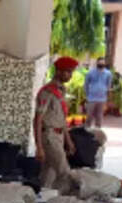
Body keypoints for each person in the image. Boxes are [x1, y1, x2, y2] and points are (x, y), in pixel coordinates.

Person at [34, 56, 78, 192]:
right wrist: (39, 146)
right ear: (58, 71)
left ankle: (42, 202)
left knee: (49, 175)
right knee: (64, 172)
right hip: (49, 136)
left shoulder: (60, 91)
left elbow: (62, 120)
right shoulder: (47, 92)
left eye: (71, 72)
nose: (70, 75)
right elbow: (38, 119)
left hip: (58, 136)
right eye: (67, 71)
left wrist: (68, 141)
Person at [84, 57, 113, 128]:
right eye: (100, 63)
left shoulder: (108, 74)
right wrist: (87, 95)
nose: (101, 64)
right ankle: (87, 130)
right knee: (89, 115)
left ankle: (97, 130)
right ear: (97, 63)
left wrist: (108, 98)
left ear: (105, 64)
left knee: (99, 116)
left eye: (103, 63)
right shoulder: (90, 72)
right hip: (91, 98)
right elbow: (86, 84)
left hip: (102, 99)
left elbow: (109, 86)